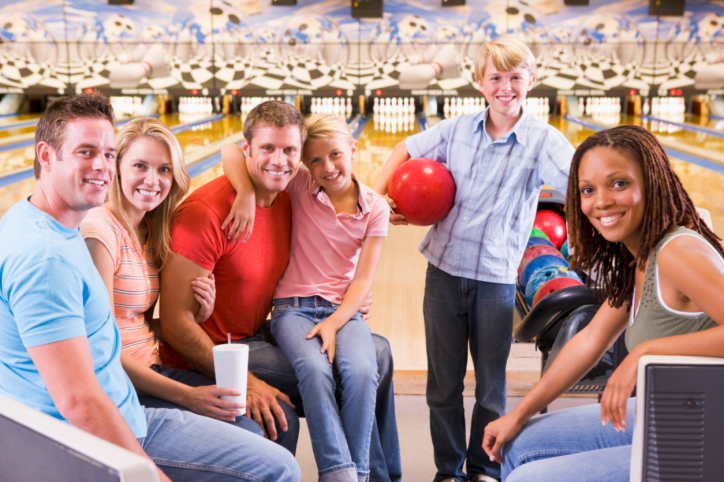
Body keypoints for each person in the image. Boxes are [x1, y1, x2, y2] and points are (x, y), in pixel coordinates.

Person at [0, 94, 300, 481]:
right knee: (277, 467)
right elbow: (79, 401)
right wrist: (148, 474)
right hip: (91, 435)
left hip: (122, 404)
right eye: (86, 152)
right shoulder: (52, 256)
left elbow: (103, 330)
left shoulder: (42, 222)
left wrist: (195, 314)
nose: (102, 167)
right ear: (45, 155)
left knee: (270, 442)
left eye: (108, 154)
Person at [159, 100, 401, 481]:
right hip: (219, 351)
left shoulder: (292, 195)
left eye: (290, 150)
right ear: (247, 151)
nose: (280, 161)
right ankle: (348, 472)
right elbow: (173, 324)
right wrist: (249, 383)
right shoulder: (207, 214)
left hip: (260, 333)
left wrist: (347, 302)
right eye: (267, 149)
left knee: (377, 354)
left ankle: (374, 475)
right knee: (350, 369)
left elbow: (337, 239)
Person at [373, 36, 575, 482]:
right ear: (479, 83)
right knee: (442, 386)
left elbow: (581, 175)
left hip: (497, 281)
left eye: (515, 78)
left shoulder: (544, 140)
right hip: (444, 273)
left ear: (531, 81)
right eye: (496, 78)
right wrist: (381, 195)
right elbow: (406, 148)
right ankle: (448, 470)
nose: (506, 87)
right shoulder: (456, 129)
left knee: (490, 389)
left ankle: (484, 468)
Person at [482, 125, 724, 481]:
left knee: (526, 479)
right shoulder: (640, 258)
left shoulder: (677, 253)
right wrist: (517, 415)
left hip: (705, 439)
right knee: (516, 445)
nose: (601, 202)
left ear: (652, 184)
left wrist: (646, 353)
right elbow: (590, 341)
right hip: (670, 417)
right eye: (587, 190)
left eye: (619, 183)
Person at [222, 112, 388, 481]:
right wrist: (247, 192)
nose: (326, 167)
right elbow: (230, 151)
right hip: (292, 310)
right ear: (304, 165)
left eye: (334, 155)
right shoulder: (300, 184)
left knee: (362, 371)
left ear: (353, 149)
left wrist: (334, 321)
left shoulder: (376, 208)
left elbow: (363, 280)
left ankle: (357, 473)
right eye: (313, 160)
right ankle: (336, 471)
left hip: (344, 311)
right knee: (314, 371)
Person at [81, 117, 263, 435]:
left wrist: (200, 313)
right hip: (121, 386)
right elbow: (100, 346)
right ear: (117, 167)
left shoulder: (151, 232)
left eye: (164, 169)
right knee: (248, 430)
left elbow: (135, 323)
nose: (153, 180)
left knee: (253, 419)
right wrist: (189, 397)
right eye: (140, 166)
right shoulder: (99, 232)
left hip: (153, 366)